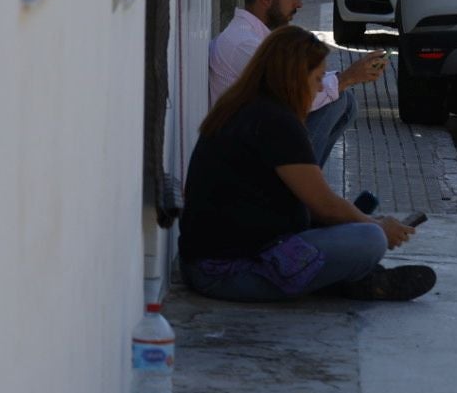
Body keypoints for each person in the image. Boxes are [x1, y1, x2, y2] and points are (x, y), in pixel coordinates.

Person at [181, 25, 435, 302]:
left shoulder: (245, 107)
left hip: (218, 259)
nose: (318, 89)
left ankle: (354, 278)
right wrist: (379, 227)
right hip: (228, 272)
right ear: (294, 79)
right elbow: (325, 206)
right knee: (369, 240)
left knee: (354, 224)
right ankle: (356, 279)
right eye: (316, 79)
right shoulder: (274, 121)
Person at [209, 0, 386, 170]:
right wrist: (347, 78)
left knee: (343, 99)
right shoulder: (245, 44)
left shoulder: (255, 38)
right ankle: (299, 189)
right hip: (246, 159)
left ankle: (305, 186)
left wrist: (342, 80)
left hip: (257, 141)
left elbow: (295, 88)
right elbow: (294, 98)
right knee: (339, 98)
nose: (299, 3)